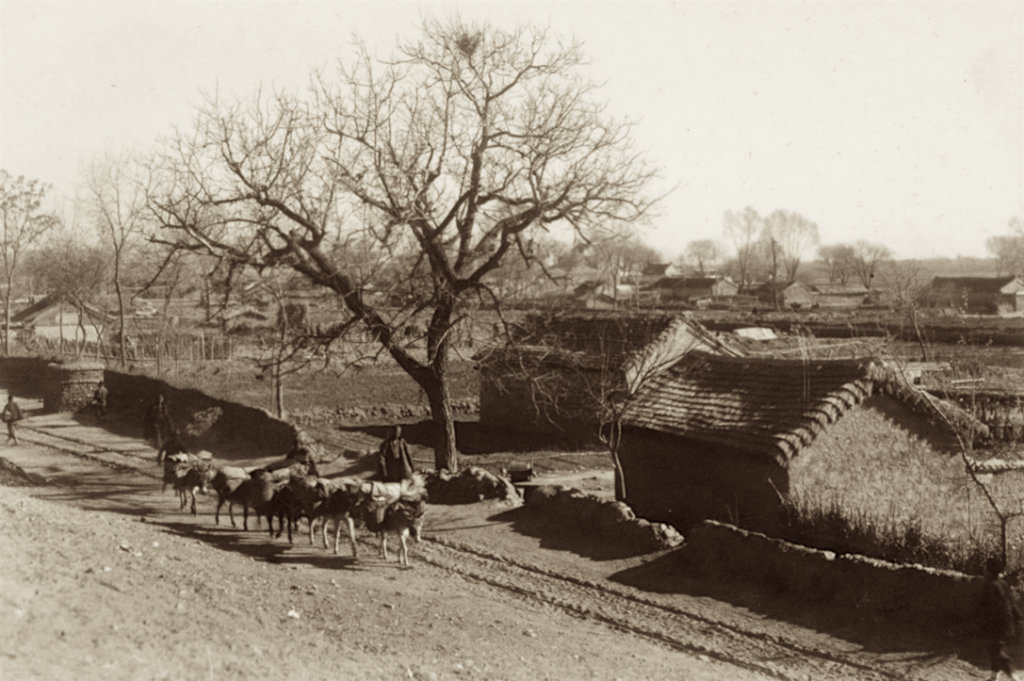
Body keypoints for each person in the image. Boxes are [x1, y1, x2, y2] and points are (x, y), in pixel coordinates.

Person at [980, 557, 1023, 681]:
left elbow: (982, 606)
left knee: (997, 651)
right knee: (994, 648)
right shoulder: (1003, 584)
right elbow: (1012, 603)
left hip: (995, 624)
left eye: (986, 568)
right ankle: (994, 675)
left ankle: (1014, 675)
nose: (984, 571)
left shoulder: (988, 586)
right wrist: (1019, 618)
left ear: (989, 571)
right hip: (1006, 623)